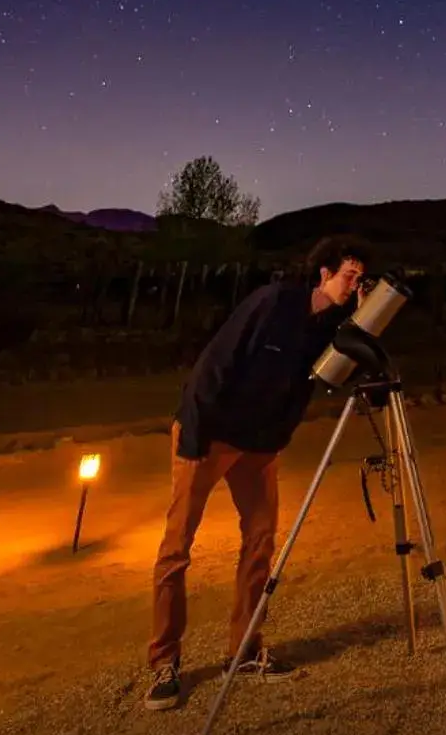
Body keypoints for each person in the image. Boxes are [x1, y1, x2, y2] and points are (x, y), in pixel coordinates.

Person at [144, 236, 370, 710]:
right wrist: (195, 437)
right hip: (210, 433)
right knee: (177, 547)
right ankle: (164, 660)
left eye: (359, 278)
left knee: (261, 539)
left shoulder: (331, 326)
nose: (354, 284)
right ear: (324, 274)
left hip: (259, 446)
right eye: (349, 275)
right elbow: (216, 365)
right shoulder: (272, 303)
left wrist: (364, 324)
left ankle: (242, 650)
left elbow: (336, 376)